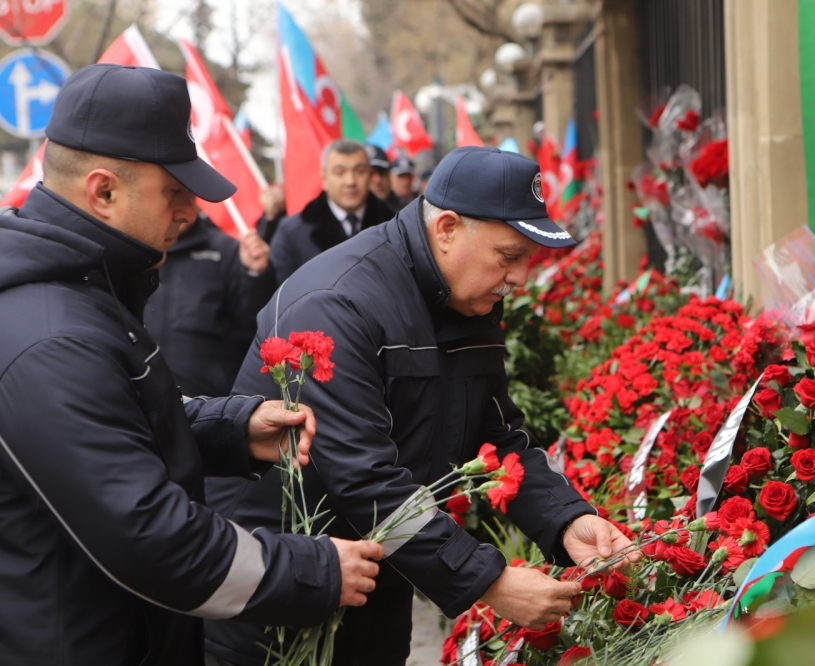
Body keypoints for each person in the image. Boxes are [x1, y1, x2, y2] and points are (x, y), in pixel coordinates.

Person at [0, 64, 383, 665]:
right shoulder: (53, 335)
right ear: (103, 192)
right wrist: (313, 569)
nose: (190, 210)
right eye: (174, 191)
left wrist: (229, 428)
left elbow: (114, 418)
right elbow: (149, 537)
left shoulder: (82, 290)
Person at [204, 147, 640, 665]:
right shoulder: (338, 302)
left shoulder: (467, 298)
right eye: (509, 256)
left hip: (378, 579)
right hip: (281, 588)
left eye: (529, 258)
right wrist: (490, 581)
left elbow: (500, 438)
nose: (521, 277)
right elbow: (363, 478)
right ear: (448, 229)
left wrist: (567, 521)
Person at [144, 211, 277, 397]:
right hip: (139, 396)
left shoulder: (227, 250)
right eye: (169, 196)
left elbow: (251, 327)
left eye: (186, 196)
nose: (180, 208)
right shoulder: (134, 248)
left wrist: (256, 276)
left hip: (206, 399)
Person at [269, 139, 396, 283]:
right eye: (340, 172)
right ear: (324, 179)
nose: (350, 181)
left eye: (359, 171)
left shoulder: (394, 226)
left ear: (370, 175)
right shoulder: (291, 232)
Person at [364, 143, 402, 211]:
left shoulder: (407, 212)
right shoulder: (350, 215)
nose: (378, 180)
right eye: (370, 173)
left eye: (382, 172)